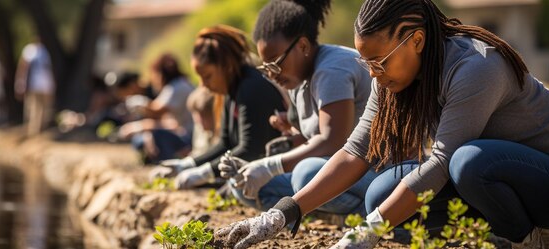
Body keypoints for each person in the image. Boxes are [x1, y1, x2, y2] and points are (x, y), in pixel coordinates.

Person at [214, 0, 549, 248]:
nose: (373, 73)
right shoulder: (388, 78)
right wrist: (284, 212)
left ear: (416, 40)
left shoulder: (476, 67)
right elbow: (355, 151)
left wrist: (367, 232)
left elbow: (440, 163)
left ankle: (538, 238)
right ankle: (497, 231)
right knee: (379, 196)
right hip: (493, 175)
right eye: (366, 63)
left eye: (379, 62)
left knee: (468, 161)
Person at [218, 0, 373, 215]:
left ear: (302, 46)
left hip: (375, 170)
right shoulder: (297, 78)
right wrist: (253, 166)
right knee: (242, 185)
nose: (271, 74)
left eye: (275, 63)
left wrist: (270, 166)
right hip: (337, 169)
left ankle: (366, 216)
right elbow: (317, 141)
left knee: (305, 174)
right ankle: (323, 213)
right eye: (266, 67)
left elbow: (334, 141)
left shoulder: (332, 69)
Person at [149, 25, 286, 189]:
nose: (203, 85)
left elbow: (251, 149)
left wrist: (204, 173)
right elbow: (225, 144)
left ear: (226, 66)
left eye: (207, 76)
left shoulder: (251, 87)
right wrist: (187, 164)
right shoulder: (233, 89)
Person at [119, 54, 195, 163]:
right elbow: (169, 122)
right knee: (140, 139)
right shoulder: (180, 85)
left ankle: (168, 160)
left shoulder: (176, 87)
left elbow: (156, 111)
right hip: (186, 135)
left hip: (189, 138)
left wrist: (139, 103)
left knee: (152, 137)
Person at [15, 39, 55, 136]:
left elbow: (48, 69)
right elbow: (23, 67)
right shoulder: (29, 50)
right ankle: (32, 131)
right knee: (33, 107)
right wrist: (20, 83)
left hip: (44, 85)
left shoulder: (44, 51)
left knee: (44, 108)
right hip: (33, 84)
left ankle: (41, 130)